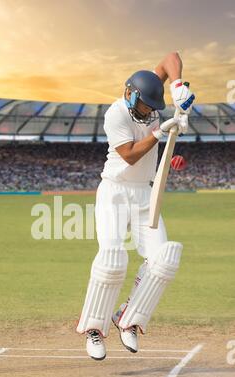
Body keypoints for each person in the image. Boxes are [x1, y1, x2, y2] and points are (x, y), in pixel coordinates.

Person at [76, 51, 195, 360]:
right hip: (114, 191)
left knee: (165, 258)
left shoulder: (151, 103)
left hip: (144, 193)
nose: (148, 112)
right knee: (113, 258)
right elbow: (129, 154)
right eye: (143, 106)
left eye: (153, 109)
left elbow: (171, 57)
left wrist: (178, 87)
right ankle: (94, 329)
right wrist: (160, 130)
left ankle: (128, 319)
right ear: (131, 95)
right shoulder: (115, 113)